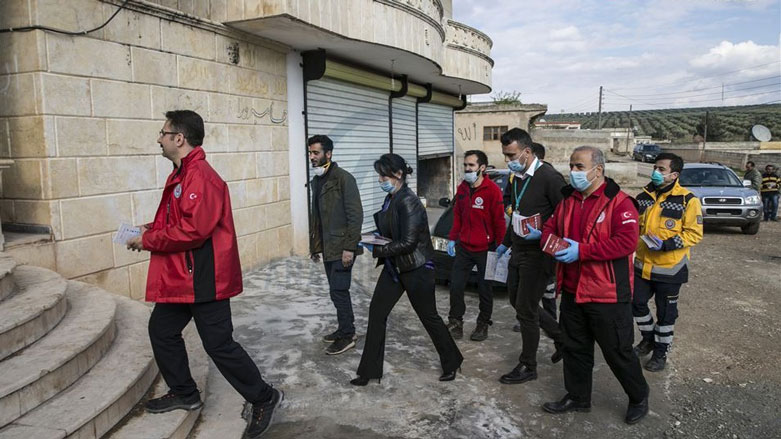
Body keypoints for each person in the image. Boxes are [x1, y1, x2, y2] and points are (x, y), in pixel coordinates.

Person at [126, 110, 281, 439]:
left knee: (219, 345)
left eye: (163, 132)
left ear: (179, 139)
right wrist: (149, 228)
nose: (159, 138)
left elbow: (194, 231)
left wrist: (149, 240)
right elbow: (179, 220)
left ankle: (265, 397)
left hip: (205, 278)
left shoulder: (201, 177)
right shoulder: (182, 174)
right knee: (162, 330)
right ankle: (184, 392)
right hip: (184, 278)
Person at [540, 145, 650, 425]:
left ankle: (638, 396)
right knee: (575, 349)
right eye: (571, 166)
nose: (573, 172)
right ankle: (578, 397)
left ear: (597, 170)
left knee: (618, 351)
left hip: (607, 294)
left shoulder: (620, 202)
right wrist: (551, 244)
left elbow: (626, 242)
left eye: (579, 166)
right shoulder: (568, 200)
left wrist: (583, 251)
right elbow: (550, 228)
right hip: (573, 290)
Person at [350, 154, 463, 385]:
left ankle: (452, 361)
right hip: (396, 268)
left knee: (429, 317)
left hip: (416, 269)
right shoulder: (392, 198)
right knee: (377, 313)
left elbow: (409, 242)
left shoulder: (408, 201)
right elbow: (394, 233)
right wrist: (375, 238)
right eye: (379, 175)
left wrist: (377, 248)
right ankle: (369, 371)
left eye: (383, 175)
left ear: (398, 174)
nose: (380, 179)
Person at [495, 129, 566, 385]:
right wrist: (505, 242)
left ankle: (528, 364)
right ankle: (560, 337)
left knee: (525, 310)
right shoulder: (516, 177)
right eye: (505, 155)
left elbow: (566, 216)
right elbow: (514, 212)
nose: (508, 160)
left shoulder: (550, 177)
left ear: (527, 151)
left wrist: (544, 233)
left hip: (539, 253)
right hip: (518, 248)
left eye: (511, 155)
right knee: (517, 301)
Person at [633, 153, 703, 372]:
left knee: (666, 314)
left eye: (661, 169)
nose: (656, 172)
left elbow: (694, 233)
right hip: (642, 265)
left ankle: (660, 353)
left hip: (670, 269)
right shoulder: (643, 196)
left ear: (674, 175)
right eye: (655, 167)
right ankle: (649, 338)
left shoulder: (687, 200)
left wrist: (666, 244)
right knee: (635, 304)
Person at [308, 134, 364, 355]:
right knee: (335, 291)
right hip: (329, 247)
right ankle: (344, 328)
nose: (312, 157)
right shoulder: (317, 180)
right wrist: (315, 246)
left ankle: (348, 335)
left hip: (342, 247)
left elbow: (355, 216)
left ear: (328, 154)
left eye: (316, 153)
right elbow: (318, 218)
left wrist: (349, 248)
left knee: (339, 290)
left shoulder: (344, 179)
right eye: (310, 152)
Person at [445, 150, 505, 341]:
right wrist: (453, 238)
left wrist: (501, 245)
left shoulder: (492, 190)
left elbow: (499, 221)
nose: (467, 169)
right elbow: (458, 216)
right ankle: (455, 322)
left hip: (486, 249)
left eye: (471, 165)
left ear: (482, 168)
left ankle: (483, 324)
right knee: (455, 286)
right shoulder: (462, 188)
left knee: (485, 289)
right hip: (464, 247)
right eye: (465, 165)